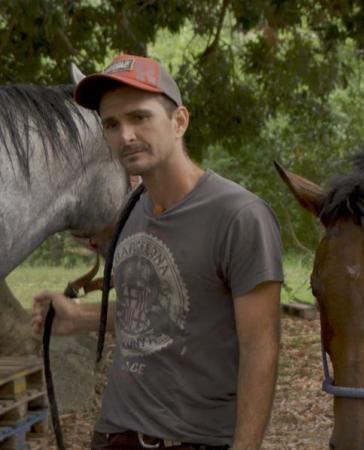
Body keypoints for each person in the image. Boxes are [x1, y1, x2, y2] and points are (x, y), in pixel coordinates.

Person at [31, 54, 284, 450]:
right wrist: (79, 316)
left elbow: (261, 349)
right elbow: (158, 310)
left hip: (193, 440)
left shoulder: (240, 216)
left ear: (179, 121)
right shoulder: (131, 210)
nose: (125, 135)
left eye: (140, 117)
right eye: (112, 124)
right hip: (115, 434)